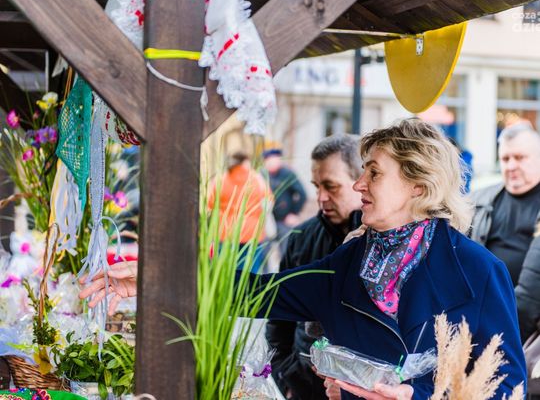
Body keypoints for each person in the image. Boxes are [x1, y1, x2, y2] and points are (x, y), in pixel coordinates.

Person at [80, 119, 526, 399]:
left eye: (373, 173)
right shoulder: (349, 261)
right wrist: (153, 278)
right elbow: (253, 292)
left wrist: (417, 396)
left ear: (419, 185)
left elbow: (509, 385)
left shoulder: (479, 271)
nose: (359, 185)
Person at [265, 134, 363, 400]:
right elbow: (278, 318)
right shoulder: (300, 237)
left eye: (331, 187)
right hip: (304, 387)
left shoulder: (383, 239)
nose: (321, 197)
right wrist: (285, 377)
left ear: (361, 182)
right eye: (317, 186)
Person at [470, 123, 540, 342]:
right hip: (478, 317)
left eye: (520, 158)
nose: (511, 166)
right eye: (505, 158)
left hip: (529, 328)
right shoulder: (479, 201)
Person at [208, 151, 272, 273]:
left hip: (226, 232)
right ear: (245, 162)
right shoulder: (257, 179)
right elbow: (268, 202)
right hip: (252, 233)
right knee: (251, 271)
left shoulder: (220, 179)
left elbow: (210, 204)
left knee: (227, 272)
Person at [263, 148, 307, 256]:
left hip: (284, 220)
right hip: (266, 222)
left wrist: (294, 213)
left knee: (286, 253)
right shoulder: (261, 175)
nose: (271, 162)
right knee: (263, 253)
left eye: (274, 159)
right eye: (268, 160)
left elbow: (302, 194)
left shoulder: (287, 174)